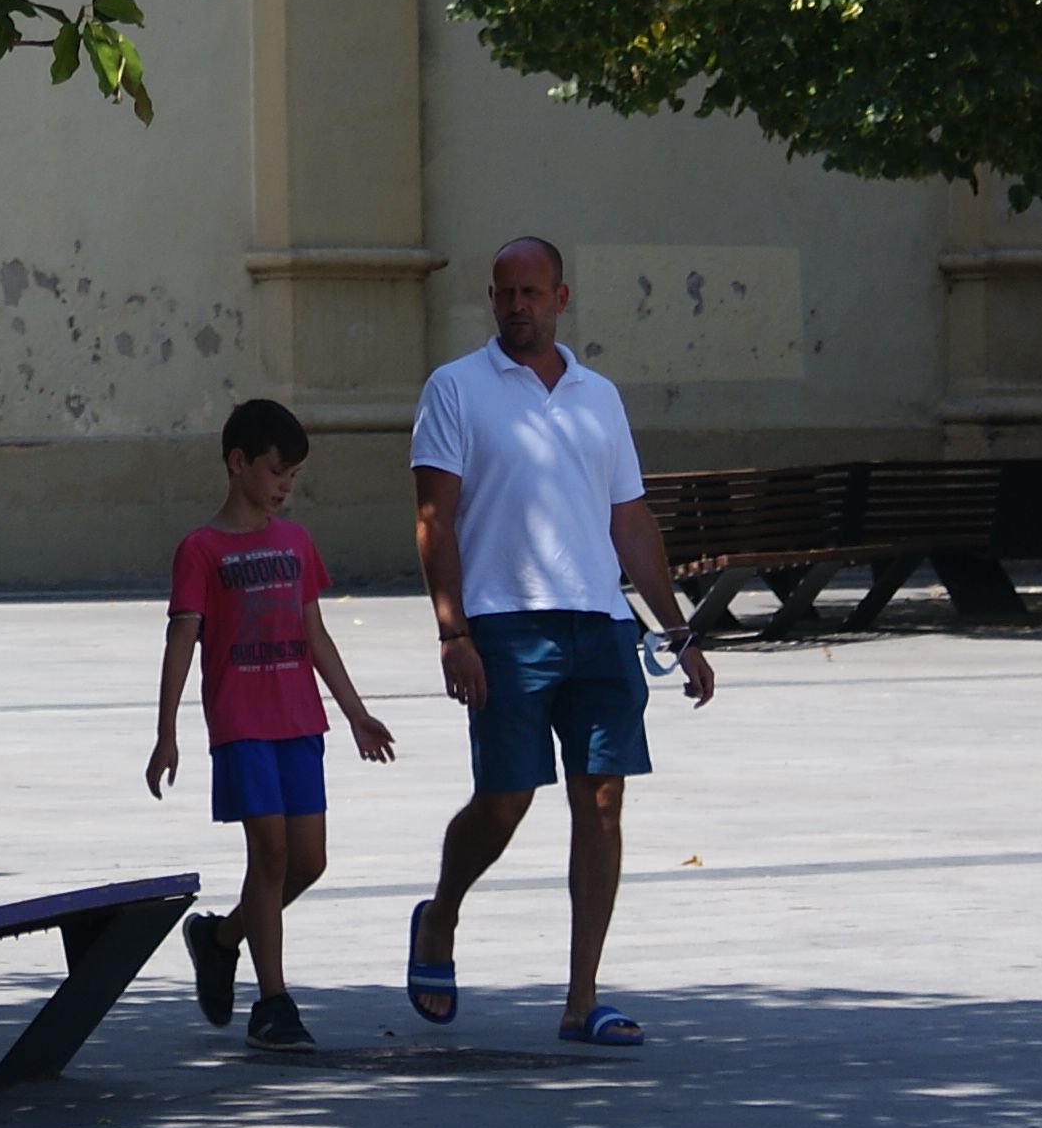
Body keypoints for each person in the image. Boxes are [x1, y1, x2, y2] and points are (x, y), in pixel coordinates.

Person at [402, 239, 715, 1047]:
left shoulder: (598, 397)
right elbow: (434, 518)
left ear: (561, 297)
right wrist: (453, 630)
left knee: (602, 803)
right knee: (506, 800)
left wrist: (677, 632)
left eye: (531, 292)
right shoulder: (456, 390)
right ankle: (440, 916)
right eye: (503, 292)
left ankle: (582, 999)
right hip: (503, 625)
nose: (517, 306)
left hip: (601, 627)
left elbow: (630, 521)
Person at [148, 397, 395, 1050]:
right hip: (241, 724)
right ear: (238, 462)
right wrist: (166, 730)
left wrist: (356, 712)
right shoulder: (200, 550)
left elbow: (314, 632)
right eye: (277, 471)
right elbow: (182, 640)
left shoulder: (296, 542)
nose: (286, 486)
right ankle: (274, 1002)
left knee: (308, 862)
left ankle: (220, 937)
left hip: (298, 721)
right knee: (271, 852)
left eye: (293, 475)